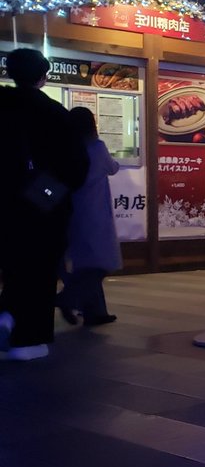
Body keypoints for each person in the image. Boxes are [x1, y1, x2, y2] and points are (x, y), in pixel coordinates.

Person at [0, 49, 90, 361]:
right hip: (39, 205)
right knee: (38, 268)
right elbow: (74, 167)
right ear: (43, 76)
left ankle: (7, 312)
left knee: (10, 265)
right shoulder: (52, 112)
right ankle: (27, 340)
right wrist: (44, 197)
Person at [57, 107, 121, 327]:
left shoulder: (65, 149)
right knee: (101, 264)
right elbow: (112, 168)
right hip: (94, 212)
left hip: (72, 211)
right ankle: (68, 298)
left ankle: (95, 313)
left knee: (85, 262)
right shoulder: (97, 146)